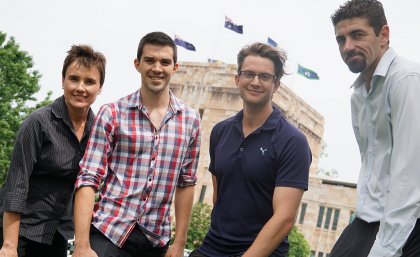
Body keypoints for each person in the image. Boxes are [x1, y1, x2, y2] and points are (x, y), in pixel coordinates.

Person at [72, 31, 201, 257]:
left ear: (175, 67)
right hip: (109, 232)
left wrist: (179, 243)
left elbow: (186, 183)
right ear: (137, 64)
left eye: (164, 62)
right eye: (150, 60)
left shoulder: (190, 120)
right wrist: (82, 246)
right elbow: (88, 178)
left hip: (156, 242)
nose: (157, 68)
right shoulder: (112, 113)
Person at [189, 42, 311, 257]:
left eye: (265, 77)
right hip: (213, 248)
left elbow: (284, 218)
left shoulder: (293, 141)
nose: (255, 82)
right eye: (249, 74)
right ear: (238, 79)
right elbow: (219, 197)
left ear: (276, 85)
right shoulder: (220, 132)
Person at [330, 0, 420, 256]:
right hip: (368, 219)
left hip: (411, 221)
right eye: (341, 39)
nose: (348, 47)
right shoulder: (357, 96)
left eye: (357, 35)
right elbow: (371, 165)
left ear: (384, 35)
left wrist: (383, 249)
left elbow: (409, 176)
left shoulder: (407, 80)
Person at [0, 44, 106, 257]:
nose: (80, 88)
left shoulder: (99, 131)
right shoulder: (39, 122)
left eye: (90, 81)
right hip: (20, 231)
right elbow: (17, 183)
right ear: (62, 81)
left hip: (58, 234)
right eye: (74, 78)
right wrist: (9, 246)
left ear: (100, 88)